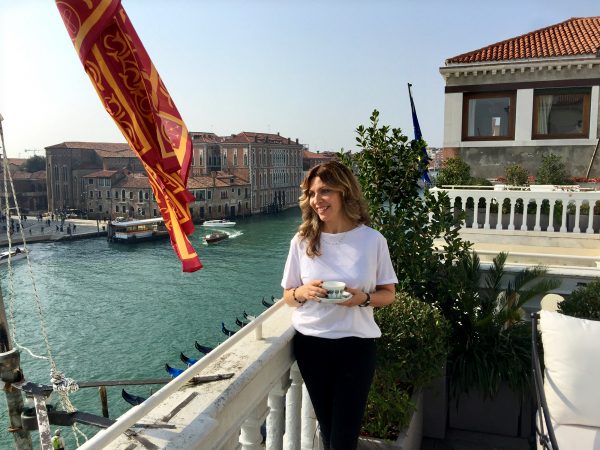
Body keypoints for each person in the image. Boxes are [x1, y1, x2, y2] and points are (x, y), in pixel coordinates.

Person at [281, 161, 398, 449]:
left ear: (344, 192)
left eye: (325, 191)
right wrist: (303, 292)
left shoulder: (372, 240)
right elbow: (288, 296)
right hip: (311, 345)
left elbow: (388, 294)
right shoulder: (302, 241)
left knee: (344, 437)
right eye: (312, 193)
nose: (316, 200)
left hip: (356, 347)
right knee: (329, 428)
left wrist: (362, 299)